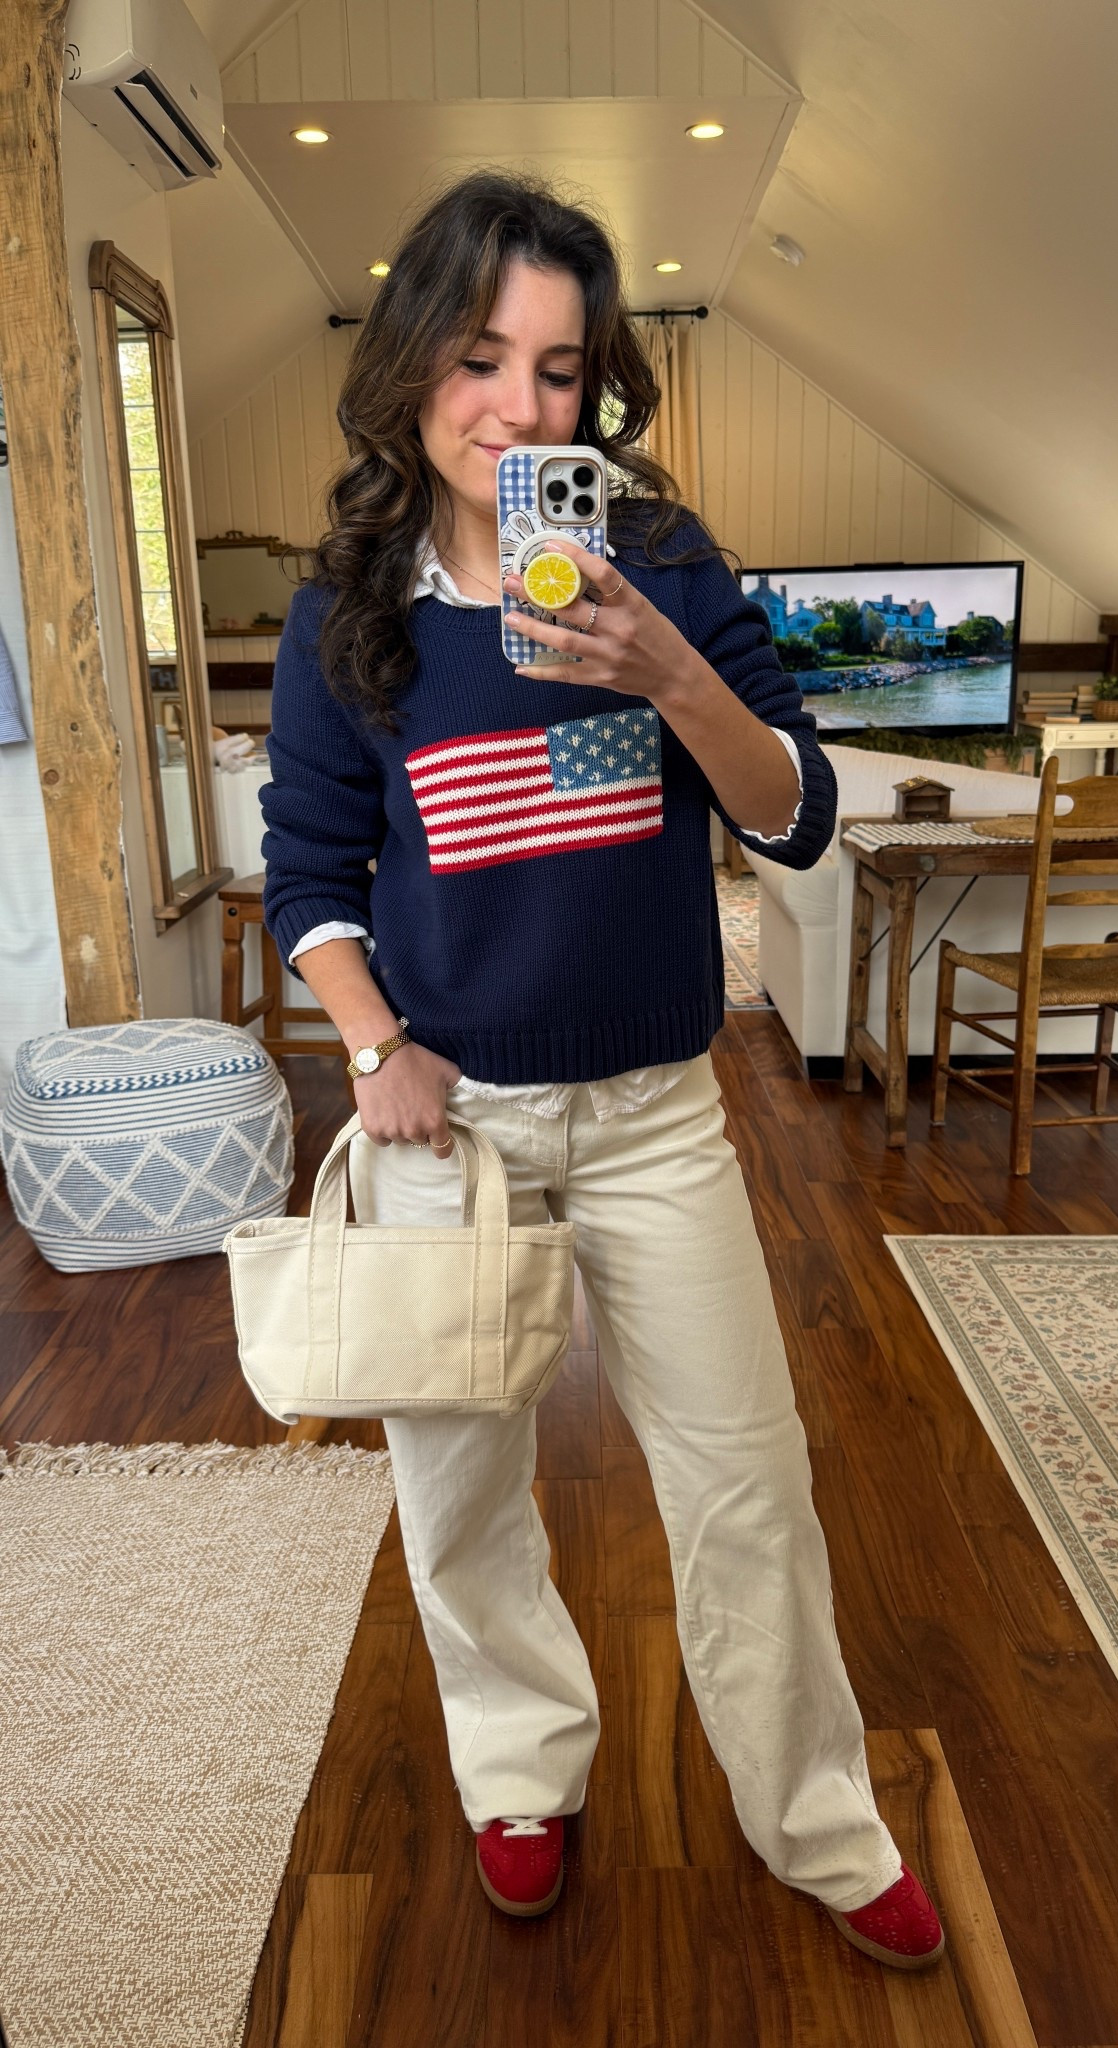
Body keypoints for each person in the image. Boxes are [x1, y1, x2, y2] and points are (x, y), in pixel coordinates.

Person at [259, 169, 944, 1969]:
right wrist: (374, 1043)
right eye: (483, 359)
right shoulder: (351, 612)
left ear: (596, 393)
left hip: (655, 1115)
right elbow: (314, 882)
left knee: (746, 1479)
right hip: (449, 1123)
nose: (518, 408)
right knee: (461, 1486)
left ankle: (815, 1815)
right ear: (414, 361)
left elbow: (796, 818)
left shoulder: (667, 562)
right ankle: (517, 1775)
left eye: (560, 373)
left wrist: (669, 670)